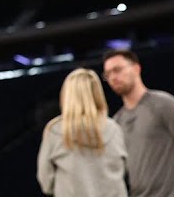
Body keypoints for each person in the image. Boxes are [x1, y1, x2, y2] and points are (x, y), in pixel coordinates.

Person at [103, 49, 174, 197]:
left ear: (136, 68)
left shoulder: (164, 105)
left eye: (117, 70)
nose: (113, 77)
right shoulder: (116, 122)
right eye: (108, 74)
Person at [36, 68, 128, 197]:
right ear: (97, 93)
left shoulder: (54, 131)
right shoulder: (114, 128)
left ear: (67, 94)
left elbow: (46, 182)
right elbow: (122, 171)